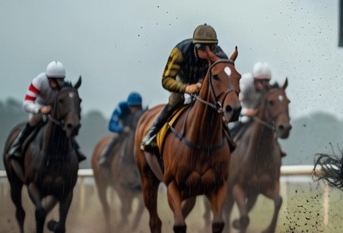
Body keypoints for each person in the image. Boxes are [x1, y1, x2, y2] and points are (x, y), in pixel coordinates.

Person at [141, 24, 230, 152]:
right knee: (176, 100)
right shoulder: (180, 51)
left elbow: (226, 73)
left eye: (212, 48)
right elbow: (166, 80)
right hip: (183, 80)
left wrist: (212, 59)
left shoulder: (217, 52)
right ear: (197, 47)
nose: (210, 51)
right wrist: (187, 88)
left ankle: (227, 136)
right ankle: (152, 133)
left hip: (204, 81)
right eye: (207, 49)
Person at [9, 61, 85, 161]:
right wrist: (40, 109)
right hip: (39, 107)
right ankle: (17, 145)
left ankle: (75, 149)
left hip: (54, 109)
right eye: (56, 81)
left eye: (61, 80)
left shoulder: (63, 85)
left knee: (66, 124)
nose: (59, 84)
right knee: (35, 120)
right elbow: (26, 103)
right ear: (49, 79)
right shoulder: (38, 82)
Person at [100, 92, 143, 170]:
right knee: (116, 137)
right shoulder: (121, 107)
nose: (135, 109)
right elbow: (111, 125)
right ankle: (104, 155)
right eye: (132, 106)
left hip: (137, 133)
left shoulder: (142, 112)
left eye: (137, 107)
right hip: (124, 132)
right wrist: (122, 129)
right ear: (128, 105)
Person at [230, 62, 273, 139]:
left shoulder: (267, 89)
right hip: (240, 113)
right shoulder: (245, 83)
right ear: (255, 80)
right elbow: (235, 103)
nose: (265, 85)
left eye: (267, 81)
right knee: (242, 121)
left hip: (255, 116)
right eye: (263, 82)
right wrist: (246, 112)